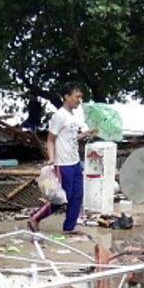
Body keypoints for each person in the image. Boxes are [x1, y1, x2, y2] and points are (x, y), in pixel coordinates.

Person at [28, 82, 96, 233]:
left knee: (77, 196)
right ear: (66, 97)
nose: (79, 100)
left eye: (80, 97)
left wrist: (85, 134)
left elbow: (71, 138)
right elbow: (50, 139)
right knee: (61, 197)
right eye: (77, 97)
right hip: (63, 163)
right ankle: (35, 217)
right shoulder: (59, 116)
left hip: (75, 162)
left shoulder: (72, 116)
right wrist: (51, 159)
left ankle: (69, 228)